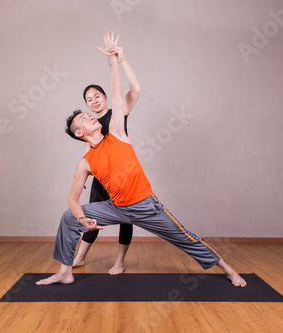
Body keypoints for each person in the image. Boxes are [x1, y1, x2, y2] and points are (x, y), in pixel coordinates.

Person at [36, 32, 246, 287]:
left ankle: (228, 269)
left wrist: (113, 59)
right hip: (115, 207)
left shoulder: (116, 131)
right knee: (68, 216)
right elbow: (72, 199)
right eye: (83, 118)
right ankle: (65, 271)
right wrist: (82, 219)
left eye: (88, 113)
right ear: (79, 133)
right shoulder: (85, 162)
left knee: (185, 238)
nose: (90, 115)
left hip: (146, 205)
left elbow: (116, 91)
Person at [73, 44, 141, 275]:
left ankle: (120, 261)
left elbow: (136, 90)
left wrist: (119, 59)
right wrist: (80, 177)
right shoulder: (90, 126)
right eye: (88, 100)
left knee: (126, 219)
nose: (93, 101)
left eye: (96, 96)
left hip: (123, 177)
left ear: (104, 97)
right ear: (87, 106)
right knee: (91, 215)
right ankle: (80, 257)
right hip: (102, 180)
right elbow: (87, 155)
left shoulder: (117, 113)